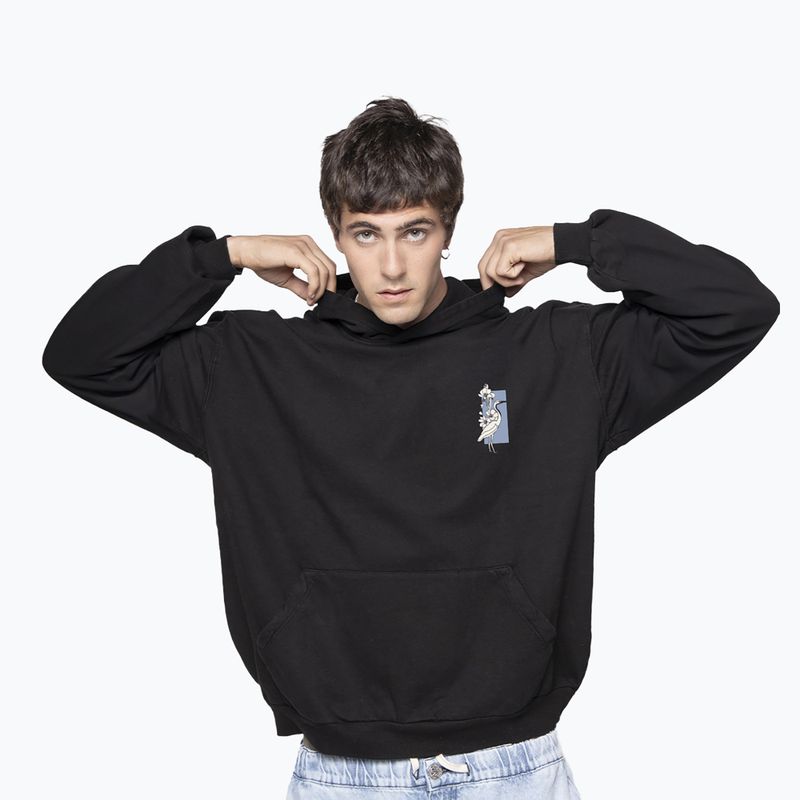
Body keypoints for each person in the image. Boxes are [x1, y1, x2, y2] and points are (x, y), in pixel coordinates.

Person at [41, 97, 780, 798]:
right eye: (366, 234)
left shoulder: (558, 354)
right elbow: (82, 355)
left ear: (448, 230)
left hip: (515, 768)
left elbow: (736, 309)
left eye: (415, 232)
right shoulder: (250, 367)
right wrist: (220, 257)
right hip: (342, 774)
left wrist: (578, 242)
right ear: (334, 235)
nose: (392, 267)